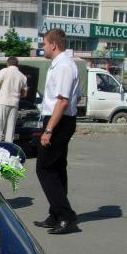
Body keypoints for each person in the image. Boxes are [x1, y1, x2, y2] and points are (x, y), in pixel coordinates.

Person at [34, 29, 80, 235]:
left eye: (44, 44)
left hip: (58, 121)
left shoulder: (63, 66)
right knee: (57, 168)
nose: (42, 47)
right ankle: (56, 214)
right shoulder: (62, 65)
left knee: (44, 168)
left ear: (53, 45)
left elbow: (62, 100)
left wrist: (49, 129)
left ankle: (66, 216)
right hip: (60, 119)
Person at [0, 56, 28, 142]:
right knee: (10, 130)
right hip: (14, 104)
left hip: (2, 102)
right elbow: (24, 94)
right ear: (17, 64)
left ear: (8, 63)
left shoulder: (4, 71)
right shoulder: (23, 76)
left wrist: (1, 86)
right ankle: (9, 150)